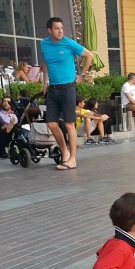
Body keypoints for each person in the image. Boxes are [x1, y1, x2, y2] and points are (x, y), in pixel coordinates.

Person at [40, 16, 93, 170]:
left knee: (69, 124)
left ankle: (73, 159)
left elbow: (89, 55)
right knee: (51, 123)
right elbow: (45, 63)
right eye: (57, 28)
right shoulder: (44, 44)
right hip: (53, 89)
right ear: (50, 30)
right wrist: (44, 83)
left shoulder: (68, 43)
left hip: (68, 88)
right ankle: (64, 151)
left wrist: (81, 75)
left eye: (62, 28)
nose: (60, 31)